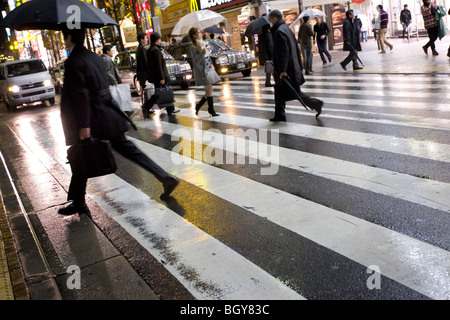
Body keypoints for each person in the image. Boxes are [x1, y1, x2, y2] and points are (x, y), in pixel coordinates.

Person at [58, 28, 179, 217]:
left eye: (63, 36)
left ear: (70, 37)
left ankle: (78, 202)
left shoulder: (74, 61)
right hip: (108, 116)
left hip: (93, 120)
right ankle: (165, 177)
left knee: (80, 157)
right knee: (129, 151)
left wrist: (84, 126)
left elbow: (81, 95)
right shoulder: (94, 58)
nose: (63, 40)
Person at [268, 10, 323, 121]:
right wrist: (299, 64)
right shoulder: (286, 29)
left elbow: (283, 51)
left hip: (286, 68)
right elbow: (296, 49)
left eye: (270, 19)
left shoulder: (279, 31)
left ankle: (315, 103)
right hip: (292, 66)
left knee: (294, 92)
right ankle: (280, 114)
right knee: (280, 91)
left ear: (274, 18)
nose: (270, 22)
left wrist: (283, 70)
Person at [140, 32, 179, 117]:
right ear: (156, 40)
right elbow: (158, 65)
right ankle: (146, 106)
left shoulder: (150, 50)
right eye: (159, 39)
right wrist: (162, 77)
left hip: (155, 76)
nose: (160, 41)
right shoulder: (155, 50)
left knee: (164, 91)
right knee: (161, 93)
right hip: (160, 76)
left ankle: (170, 109)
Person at [188, 27, 220, 117]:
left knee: (209, 90)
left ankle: (199, 106)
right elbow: (196, 61)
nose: (200, 34)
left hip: (208, 69)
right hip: (202, 71)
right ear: (194, 35)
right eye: (198, 33)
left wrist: (211, 62)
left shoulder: (203, 44)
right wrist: (203, 52)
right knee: (209, 89)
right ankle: (211, 110)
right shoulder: (193, 47)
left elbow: (207, 57)